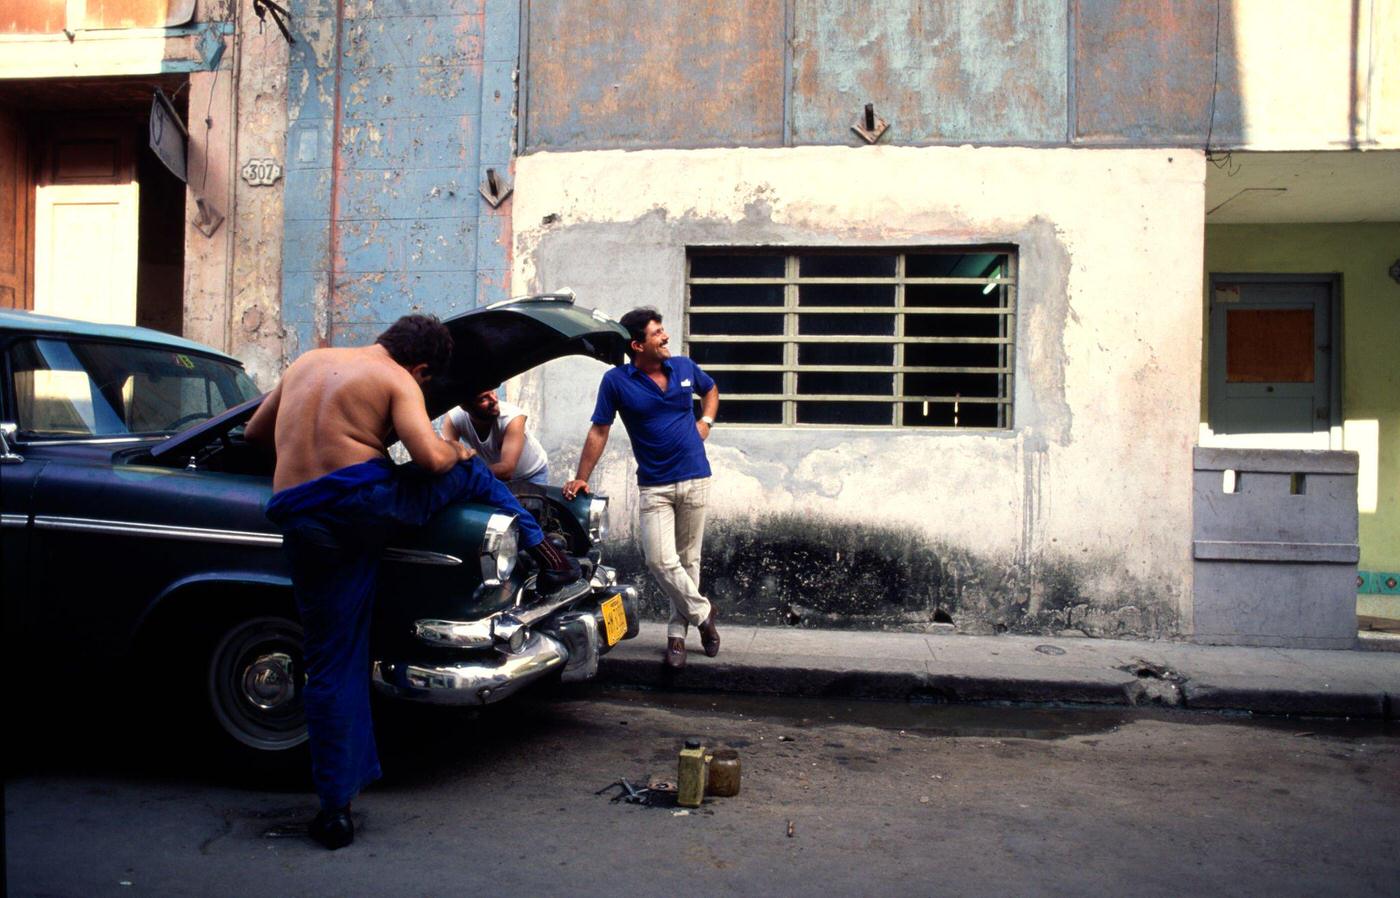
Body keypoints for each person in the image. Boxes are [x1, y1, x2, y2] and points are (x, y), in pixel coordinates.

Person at [244, 314, 579, 850]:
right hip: (362, 509)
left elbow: (254, 433)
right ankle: (545, 549)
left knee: (329, 657)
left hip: (300, 518)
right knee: (467, 470)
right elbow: (428, 456)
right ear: (420, 367)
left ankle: (335, 809)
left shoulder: (308, 361)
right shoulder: (396, 379)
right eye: (427, 381)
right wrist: (458, 451)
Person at [563, 307, 720, 670]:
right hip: (655, 485)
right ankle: (704, 613)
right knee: (659, 560)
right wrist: (581, 475)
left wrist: (706, 421)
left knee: (688, 560)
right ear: (637, 344)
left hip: (696, 476)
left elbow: (710, 389)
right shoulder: (617, 381)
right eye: (658, 333)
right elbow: (599, 429)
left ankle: (676, 635)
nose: (666, 337)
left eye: (663, 331)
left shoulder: (683, 367)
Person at [442, 388, 549, 486]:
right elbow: (445, 458)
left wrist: (466, 474)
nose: (494, 400)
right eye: (483, 398)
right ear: (465, 406)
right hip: (493, 476)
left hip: (531, 475)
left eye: (492, 392)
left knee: (532, 507)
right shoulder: (454, 418)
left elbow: (506, 470)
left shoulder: (513, 418)